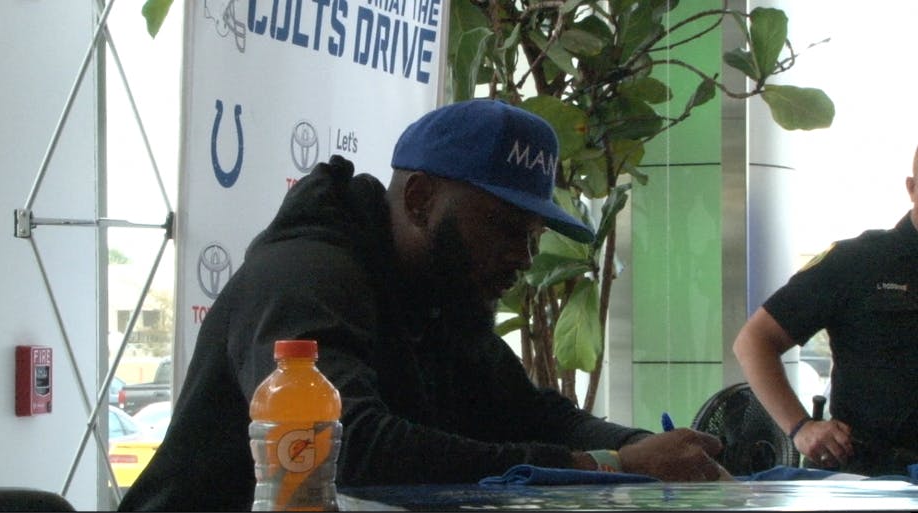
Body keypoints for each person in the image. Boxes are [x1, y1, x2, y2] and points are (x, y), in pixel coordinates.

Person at [119, 99, 728, 511]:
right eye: (505, 229)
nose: (523, 257)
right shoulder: (306, 274)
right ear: (418, 200)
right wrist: (604, 464)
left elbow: (533, 416)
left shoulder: (442, 294)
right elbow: (347, 444)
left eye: (534, 239)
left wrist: (655, 451)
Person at [733, 147, 918, 477]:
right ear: (911, 187)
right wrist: (801, 428)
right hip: (874, 478)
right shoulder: (859, 261)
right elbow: (754, 341)